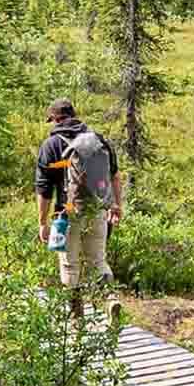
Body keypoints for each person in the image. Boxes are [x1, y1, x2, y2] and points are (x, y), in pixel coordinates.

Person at [34, 97, 123, 317]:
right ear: (74, 115)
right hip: (97, 210)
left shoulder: (51, 145)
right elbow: (115, 177)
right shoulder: (98, 140)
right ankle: (110, 300)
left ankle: (76, 318)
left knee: (69, 264)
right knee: (98, 260)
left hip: (67, 214)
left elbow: (43, 190)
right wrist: (116, 206)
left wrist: (42, 222)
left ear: (55, 119)